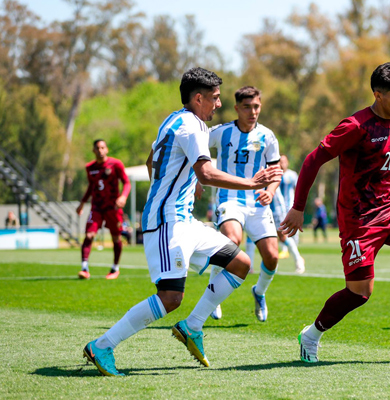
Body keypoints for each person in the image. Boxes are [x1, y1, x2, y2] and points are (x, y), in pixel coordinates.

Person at [82, 68, 282, 376]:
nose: (218, 105)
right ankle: (103, 346)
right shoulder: (194, 126)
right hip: (167, 224)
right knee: (171, 297)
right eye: (214, 99)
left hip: (184, 220)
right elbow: (208, 173)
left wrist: (182, 183)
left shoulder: (173, 119)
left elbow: (153, 161)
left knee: (240, 263)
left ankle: (192, 327)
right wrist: (252, 184)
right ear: (198, 98)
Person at [280, 62, 390, 363]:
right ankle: (311, 335)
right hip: (359, 220)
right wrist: (298, 208)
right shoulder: (354, 127)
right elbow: (312, 160)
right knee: (360, 293)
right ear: (378, 94)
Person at [206, 86, 282, 323]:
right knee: (232, 242)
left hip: (258, 203)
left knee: (272, 256)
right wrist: (197, 180)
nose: (253, 111)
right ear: (237, 108)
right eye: (247, 107)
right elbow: (193, 150)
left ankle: (259, 292)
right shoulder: (220, 132)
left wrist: (270, 191)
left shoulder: (267, 136)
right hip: (229, 198)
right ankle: (213, 295)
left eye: (256, 106)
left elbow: (275, 172)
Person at [76, 139, 131, 280]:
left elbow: (126, 182)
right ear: (93, 151)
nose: (100, 150)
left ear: (106, 149)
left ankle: (115, 268)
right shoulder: (90, 168)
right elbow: (91, 187)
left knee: (116, 238)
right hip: (97, 208)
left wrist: (123, 197)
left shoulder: (116, 164)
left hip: (113, 208)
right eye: (97, 148)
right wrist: (82, 203)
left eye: (102, 147)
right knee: (89, 235)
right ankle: (84, 268)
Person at [278, 154, 299, 255]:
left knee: (294, 225)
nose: (282, 164)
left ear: (287, 163)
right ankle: (284, 250)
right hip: (279, 206)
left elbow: (297, 189)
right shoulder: (276, 174)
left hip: (290, 205)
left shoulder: (292, 175)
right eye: (280, 162)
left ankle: (294, 247)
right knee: (281, 227)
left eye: (284, 162)